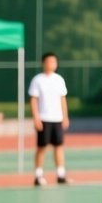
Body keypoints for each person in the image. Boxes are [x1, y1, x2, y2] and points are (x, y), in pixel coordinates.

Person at [29, 52, 70, 186]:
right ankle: (38, 175)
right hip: (44, 119)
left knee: (59, 146)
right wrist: (36, 118)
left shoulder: (59, 79)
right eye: (49, 61)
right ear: (43, 63)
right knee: (42, 147)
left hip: (57, 119)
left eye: (54, 62)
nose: (51, 64)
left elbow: (62, 99)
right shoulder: (37, 80)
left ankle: (60, 174)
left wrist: (65, 116)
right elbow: (33, 100)